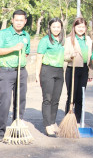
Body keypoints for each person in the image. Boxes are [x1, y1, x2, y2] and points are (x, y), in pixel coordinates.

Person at [0, 10, 30, 140]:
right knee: (5, 101)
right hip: (6, 71)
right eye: (16, 20)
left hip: (21, 71)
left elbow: (27, 52)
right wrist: (13, 49)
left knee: (20, 100)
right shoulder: (4, 34)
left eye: (21, 20)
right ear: (12, 20)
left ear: (25, 21)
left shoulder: (26, 35)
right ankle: (1, 131)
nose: (19, 23)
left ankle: (16, 128)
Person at [35, 18, 65, 137]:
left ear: (61, 28)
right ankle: (47, 125)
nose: (56, 29)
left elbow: (64, 55)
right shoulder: (45, 40)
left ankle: (53, 122)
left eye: (58, 27)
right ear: (50, 28)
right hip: (47, 70)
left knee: (56, 99)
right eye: (54, 27)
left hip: (59, 71)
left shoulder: (63, 41)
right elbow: (39, 57)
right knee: (47, 98)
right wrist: (37, 74)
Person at [63, 17, 93, 124]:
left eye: (83, 27)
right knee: (72, 96)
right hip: (72, 69)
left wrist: (90, 72)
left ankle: (78, 120)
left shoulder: (88, 40)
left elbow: (90, 58)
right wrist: (71, 56)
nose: (81, 29)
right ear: (74, 27)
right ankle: (68, 120)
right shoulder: (68, 40)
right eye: (78, 26)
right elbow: (64, 56)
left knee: (81, 96)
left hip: (84, 70)